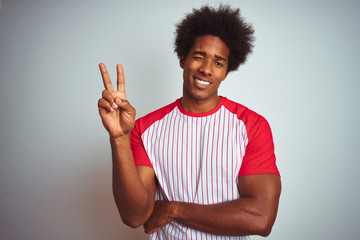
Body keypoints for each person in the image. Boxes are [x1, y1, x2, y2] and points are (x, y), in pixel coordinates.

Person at [98, 4, 281, 240]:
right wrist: (119, 138)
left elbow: (261, 218)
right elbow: (134, 216)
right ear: (182, 59)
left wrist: (174, 209)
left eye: (218, 62)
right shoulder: (145, 128)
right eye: (199, 56)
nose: (206, 69)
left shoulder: (251, 125)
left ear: (226, 71)